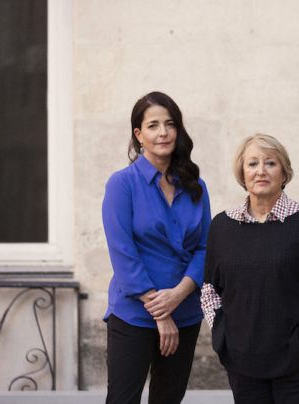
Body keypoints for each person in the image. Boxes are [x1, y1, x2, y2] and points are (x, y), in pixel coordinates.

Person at [201, 134, 299, 404]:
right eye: (252, 164)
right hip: (243, 363)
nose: (260, 171)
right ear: (242, 174)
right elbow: (210, 288)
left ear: (284, 173)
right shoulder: (222, 226)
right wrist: (221, 332)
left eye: (270, 163)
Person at [102, 91, 211, 404]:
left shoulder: (195, 185)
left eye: (170, 124)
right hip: (134, 314)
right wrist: (161, 314)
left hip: (186, 313)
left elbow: (205, 247)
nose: (163, 132)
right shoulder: (122, 184)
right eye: (153, 125)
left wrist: (177, 296)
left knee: (168, 399)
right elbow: (123, 255)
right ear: (139, 134)